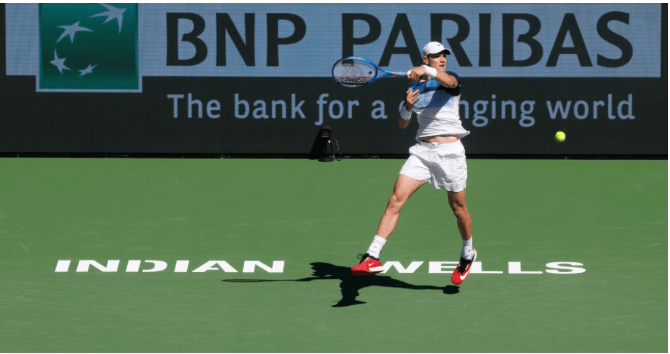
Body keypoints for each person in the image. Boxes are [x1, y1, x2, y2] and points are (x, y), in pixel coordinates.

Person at [351, 41, 476, 286]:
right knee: (395, 199)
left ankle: (467, 253)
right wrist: (407, 107)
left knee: (458, 209)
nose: (442, 59)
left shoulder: (450, 79)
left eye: (444, 56)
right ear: (426, 57)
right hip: (422, 153)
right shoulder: (413, 87)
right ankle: (372, 256)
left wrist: (426, 71)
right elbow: (403, 124)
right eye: (436, 56)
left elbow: (450, 83)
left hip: (450, 153)